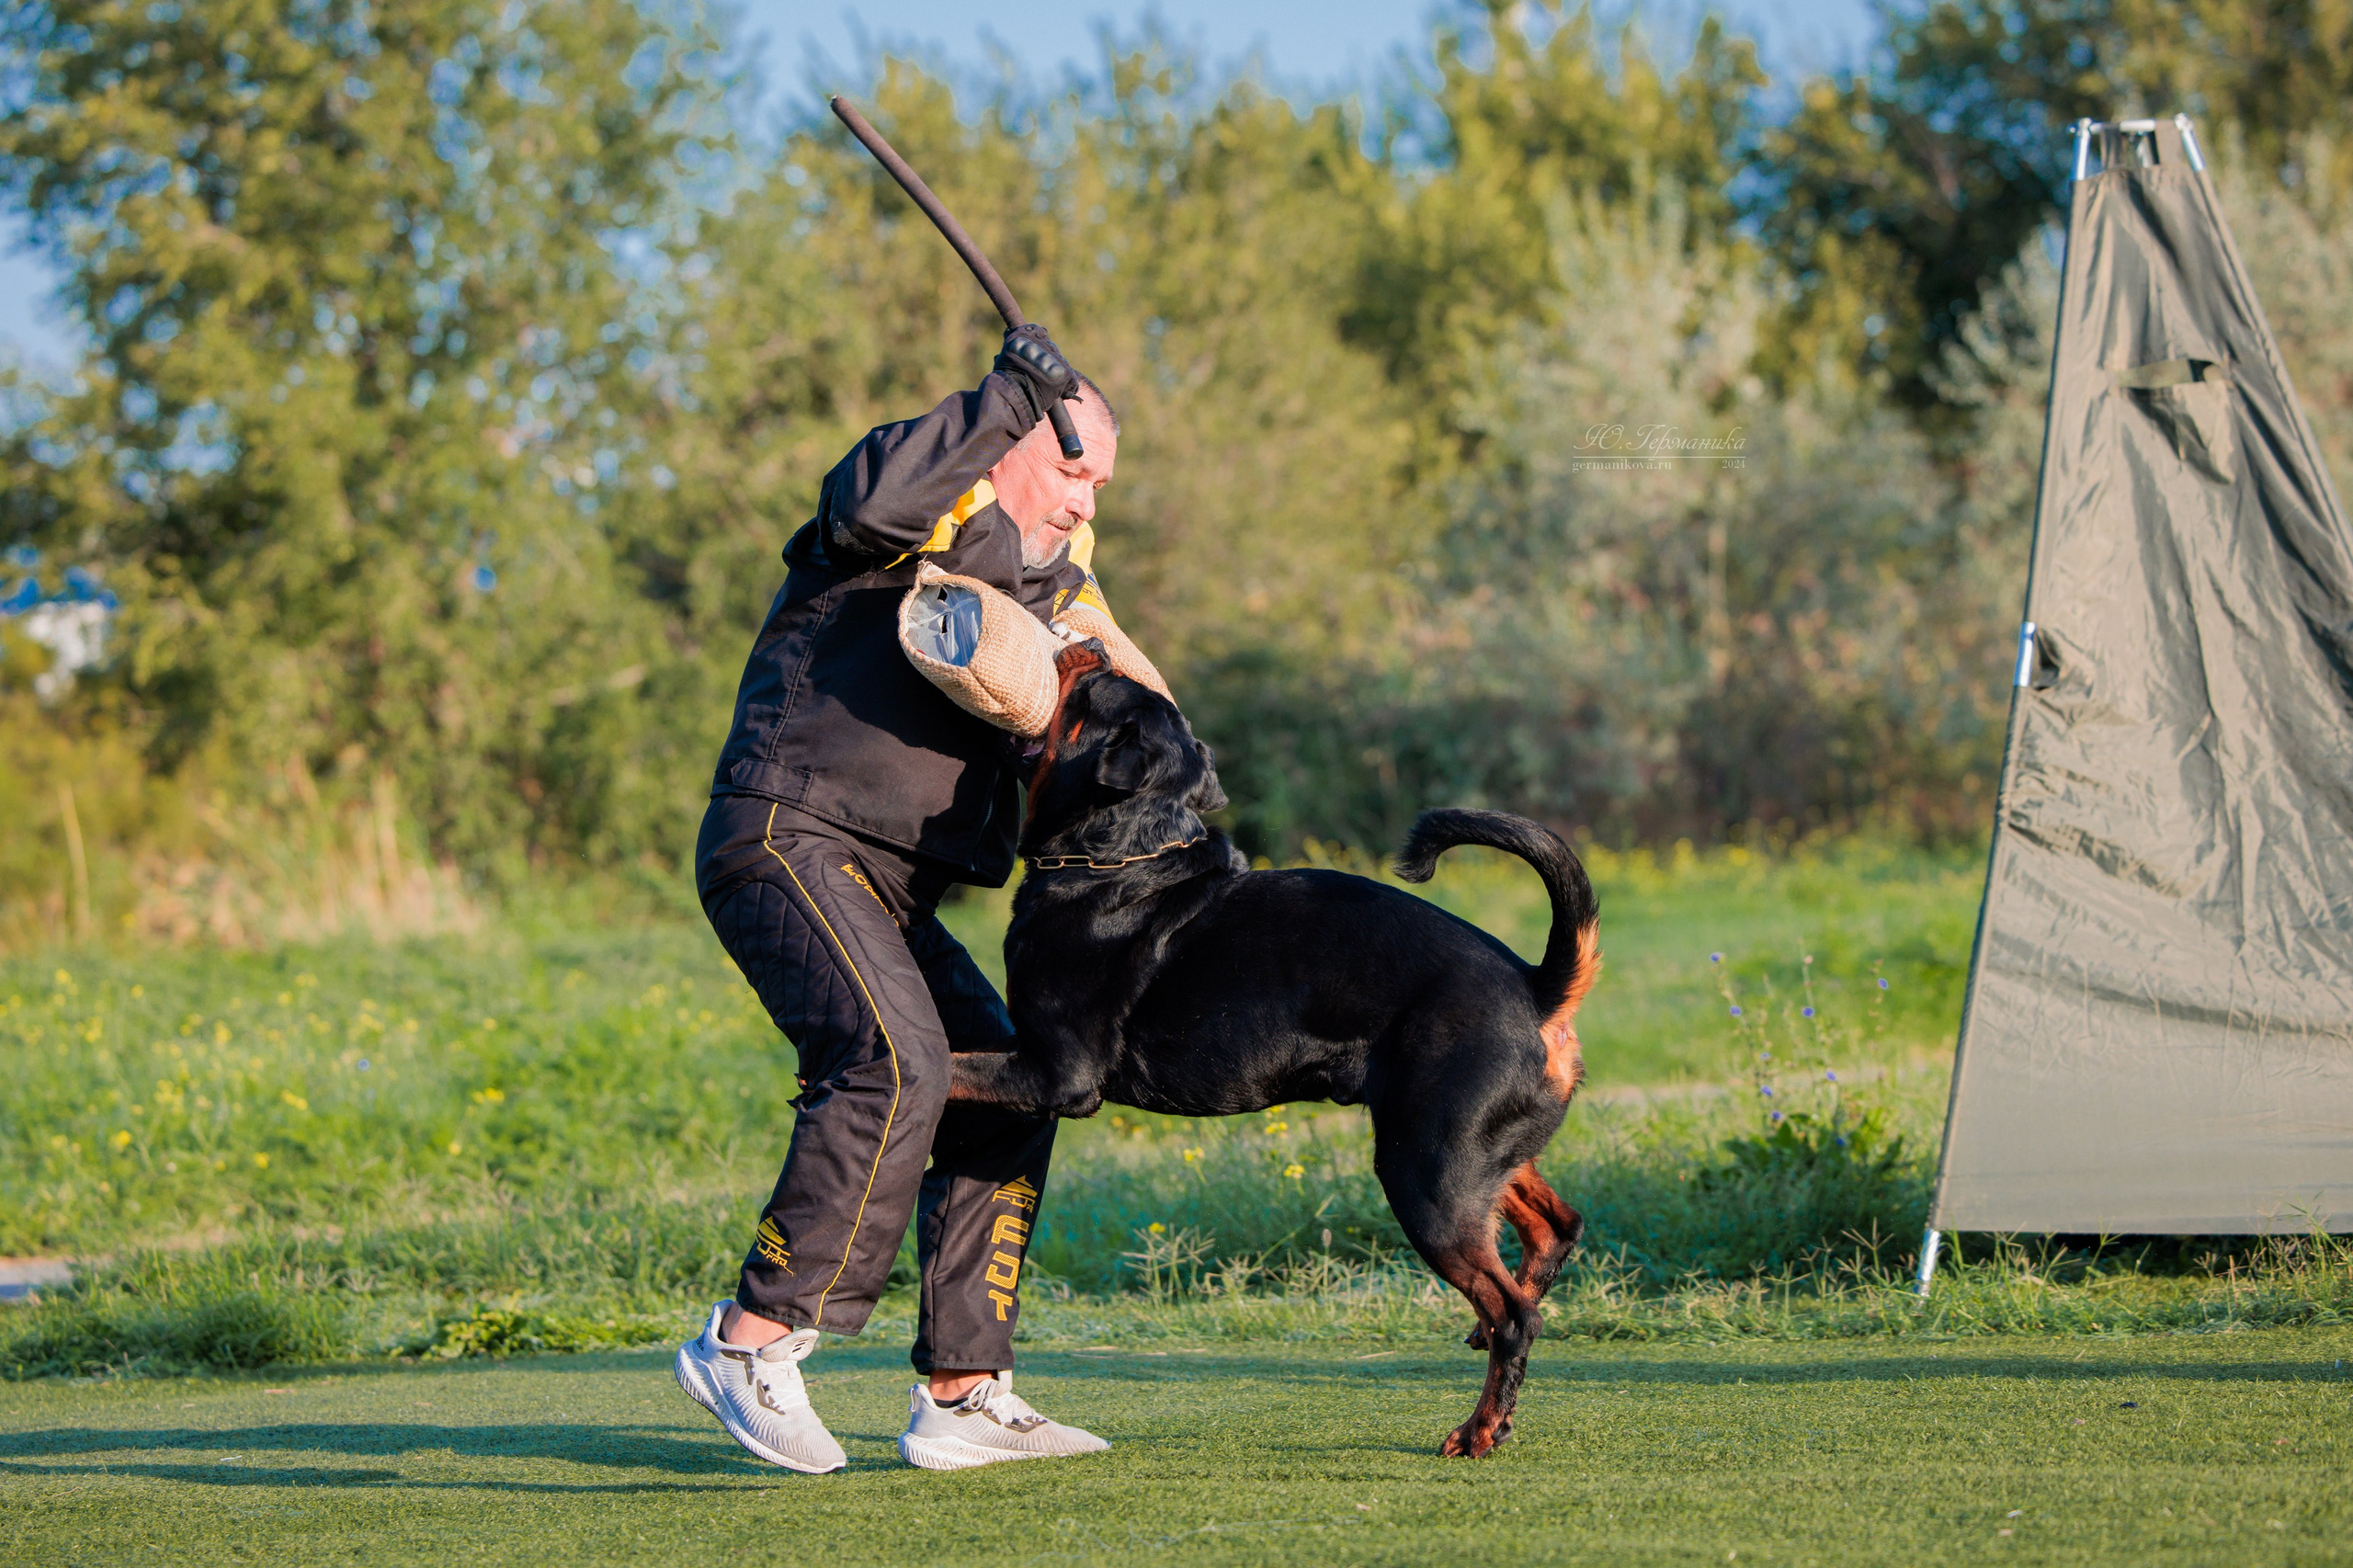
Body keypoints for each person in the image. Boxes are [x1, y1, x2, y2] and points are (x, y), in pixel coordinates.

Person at [674, 325, 1131, 1473]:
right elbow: (867, 502)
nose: (1086, 500)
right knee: (894, 1063)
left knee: (1010, 1083)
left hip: (889, 884)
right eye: (1074, 468)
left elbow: (1127, 690)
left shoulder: (1049, 581)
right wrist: (1004, 394)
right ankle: (750, 1342)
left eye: (1103, 485)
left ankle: (963, 1392)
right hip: (788, 832)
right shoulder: (919, 498)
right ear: (1020, 443)